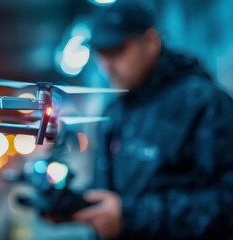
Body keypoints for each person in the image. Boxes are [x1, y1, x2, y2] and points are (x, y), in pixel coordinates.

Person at [71, 1, 233, 239]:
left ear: (151, 42)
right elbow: (110, 188)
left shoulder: (203, 104)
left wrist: (130, 216)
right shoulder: (117, 110)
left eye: (117, 50)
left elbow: (227, 204)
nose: (107, 66)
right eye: (100, 54)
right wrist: (73, 204)